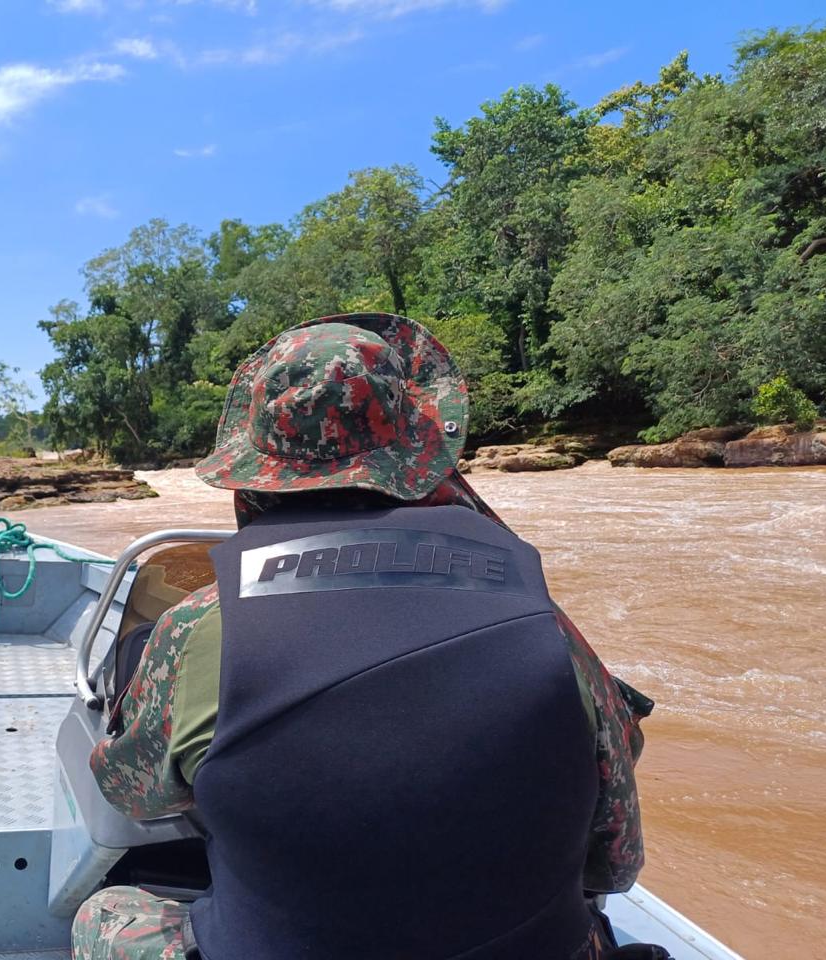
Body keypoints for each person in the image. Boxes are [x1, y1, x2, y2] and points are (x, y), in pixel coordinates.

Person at [71, 313, 654, 960]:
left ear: (253, 477)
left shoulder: (200, 630)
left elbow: (131, 792)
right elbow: (616, 862)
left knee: (104, 914)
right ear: (424, 458)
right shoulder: (543, 622)